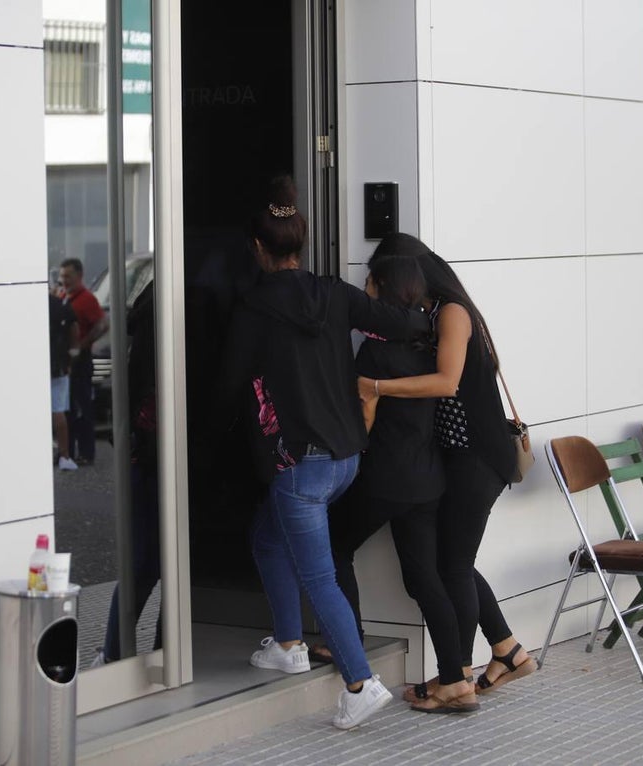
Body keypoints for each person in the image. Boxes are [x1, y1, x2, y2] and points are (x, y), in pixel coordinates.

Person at [217, 176, 429, 730]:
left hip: (299, 465)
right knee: (267, 536)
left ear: (259, 248)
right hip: (344, 459)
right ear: (300, 243)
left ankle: (360, 683)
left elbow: (228, 384)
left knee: (319, 576)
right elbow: (399, 322)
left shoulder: (252, 308)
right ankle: (288, 645)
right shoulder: (335, 294)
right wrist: (433, 314)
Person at [358, 232, 538, 698]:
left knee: (452, 566)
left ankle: (455, 676)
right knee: (452, 562)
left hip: (478, 457)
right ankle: (508, 652)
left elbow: (446, 382)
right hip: (462, 457)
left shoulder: (454, 313)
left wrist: (376, 386)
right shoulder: (436, 313)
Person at [327, 255, 479, 713]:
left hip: (385, 478)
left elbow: (365, 417)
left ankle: (347, 646)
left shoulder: (374, 351)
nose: (363, 286)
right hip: (427, 479)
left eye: (368, 281)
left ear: (381, 289)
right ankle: (455, 679)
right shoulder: (427, 344)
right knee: (424, 577)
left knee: (334, 547)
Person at [97, 280, 163, 665]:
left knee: (144, 567)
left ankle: (117, 653)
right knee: (152, 565)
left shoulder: (140, 335)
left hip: (142, 457)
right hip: (152, 458)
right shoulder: (159, 340)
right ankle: (133, 654)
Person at [58, 257, 108, 465]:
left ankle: (86, 453)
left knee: (82, 407)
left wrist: (82, 344)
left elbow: (102, 324)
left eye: (68, 276)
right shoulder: (62, 296)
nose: (64, 281)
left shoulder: (86, 299)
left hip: (80, 359)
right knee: (66, 408)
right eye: (62, 277)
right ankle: (66, 452)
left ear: (79, 276)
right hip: (65, 361)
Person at [49, 293, 79, 472]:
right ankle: (65, 456)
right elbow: (74, 326)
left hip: (36, 364)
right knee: (58, 410)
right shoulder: (60, 304)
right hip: (59, 365)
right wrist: (72, 354)